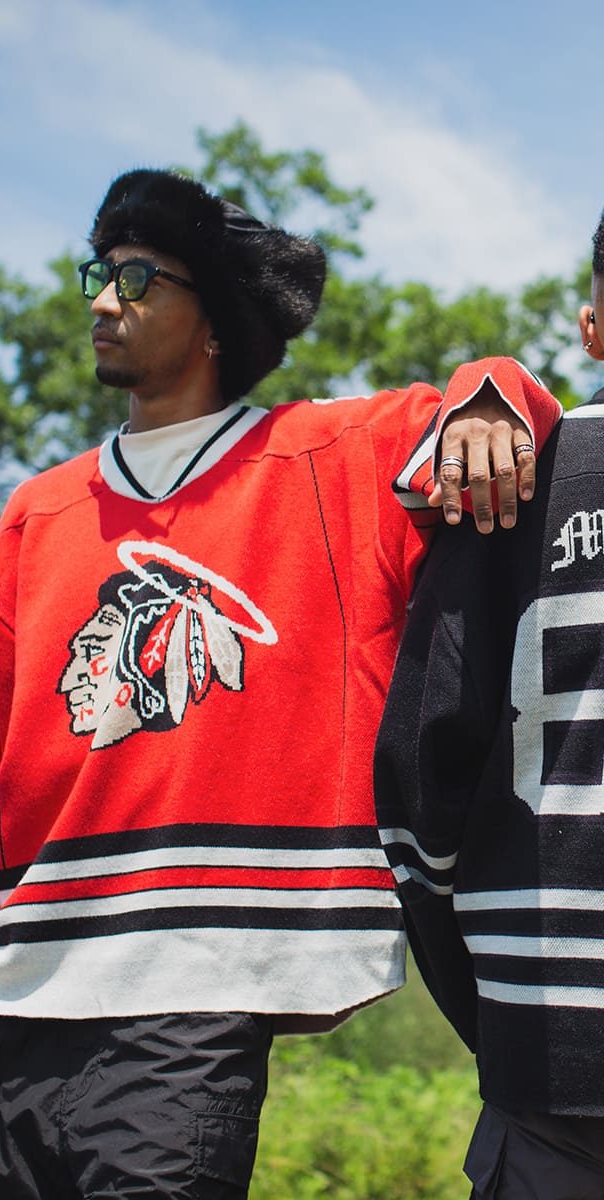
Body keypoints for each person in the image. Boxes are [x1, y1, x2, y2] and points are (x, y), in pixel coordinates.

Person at [0, 167, 561, 1200]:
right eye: (98, 274)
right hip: (7, 1007)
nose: (102, 301)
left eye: (136, 278)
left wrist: (488, 397)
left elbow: (486, 397)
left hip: (189, 997)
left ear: (211, 318)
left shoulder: (324, 461)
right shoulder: (37, 513)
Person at [374, 209, 604, 1198]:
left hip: (545, 1048)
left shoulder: (505, 484)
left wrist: (503, 1010)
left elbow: (417, 784)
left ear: (592, 328)